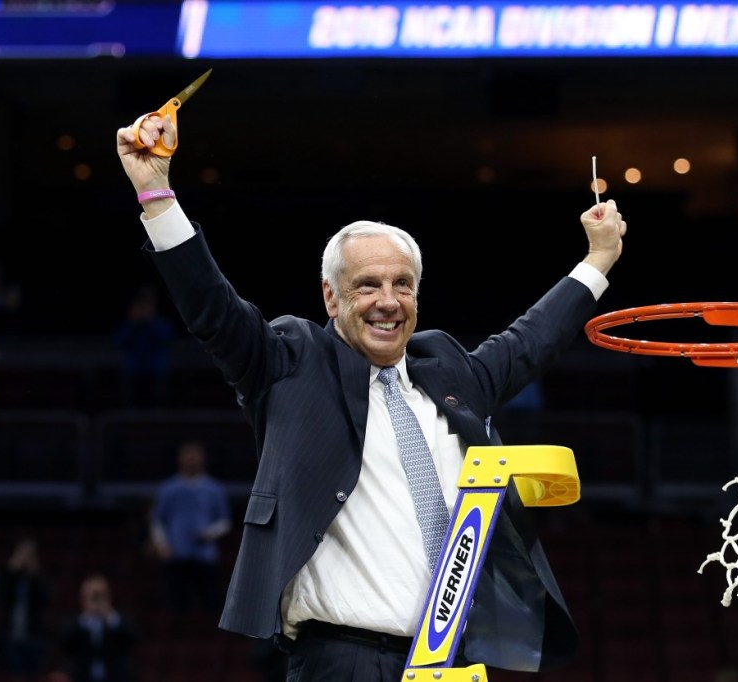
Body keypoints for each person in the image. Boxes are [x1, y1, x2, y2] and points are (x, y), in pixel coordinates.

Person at [116, 111, 626, 681]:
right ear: (331, 299)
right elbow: (212, 310)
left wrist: (599, 258)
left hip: (451, 663)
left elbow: (529, 342)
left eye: (402, 284)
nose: (388, 300)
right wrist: (156, 194)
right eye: (368, 285)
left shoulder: (450, 373)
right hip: (343, 660)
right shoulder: (290, 362)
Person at [149, 439, 232, 614]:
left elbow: (225, 521)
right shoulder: (168, 489)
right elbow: (157, 520)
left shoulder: (214, 489)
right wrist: (162, 544)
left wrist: (209, 533)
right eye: (188, 454)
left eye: (195, 454)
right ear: (180, 458)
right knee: (175, 605)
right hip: (176, 554)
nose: (191, 459)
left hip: (205, 555)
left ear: (203, 458)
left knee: (210, 604)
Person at [58, 573, 139, 682]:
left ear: (108, 595)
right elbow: (66, 643)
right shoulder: (73, 622)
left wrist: (109, 616)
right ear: (82, 597)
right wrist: (87, 616)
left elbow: (132, 640)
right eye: (92, 596)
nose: (96, 600)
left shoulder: (119, 619)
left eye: (100, 595)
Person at [112, 283, 174, 409]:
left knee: (157, 406)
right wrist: (132, 322)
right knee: (132, 406)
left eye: (147, 303)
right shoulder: (131, 324)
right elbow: (118, 340)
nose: (143, 308)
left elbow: (166, 338)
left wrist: (151, 320)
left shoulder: (160, 323)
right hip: (134, 372)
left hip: (156, 371)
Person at [0, 537, 52, 682]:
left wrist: (33, 573)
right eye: (22, 555)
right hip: (13, 634)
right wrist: (13, 569)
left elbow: (46, 599)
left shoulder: (40, 577)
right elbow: (1, 595)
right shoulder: (11, 577)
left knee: (34, 675)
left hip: (34, 635)